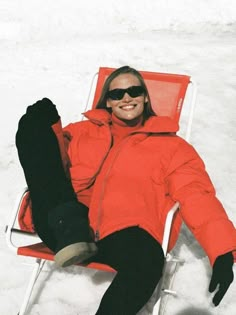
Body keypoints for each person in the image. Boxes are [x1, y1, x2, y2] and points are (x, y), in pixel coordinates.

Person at [16, 66, 236, 314]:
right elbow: (48, 168)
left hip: (121, 232)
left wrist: (222, 251)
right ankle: (70, 227)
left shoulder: (173, 147)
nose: (126, 98)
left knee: (147, 259)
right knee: (34, 129)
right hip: (62, 226)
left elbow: (195, 194)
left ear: (145, 97)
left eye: (134, 91)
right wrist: (47, 127)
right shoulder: (82, 132)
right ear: (107, 102)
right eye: (117, 94)